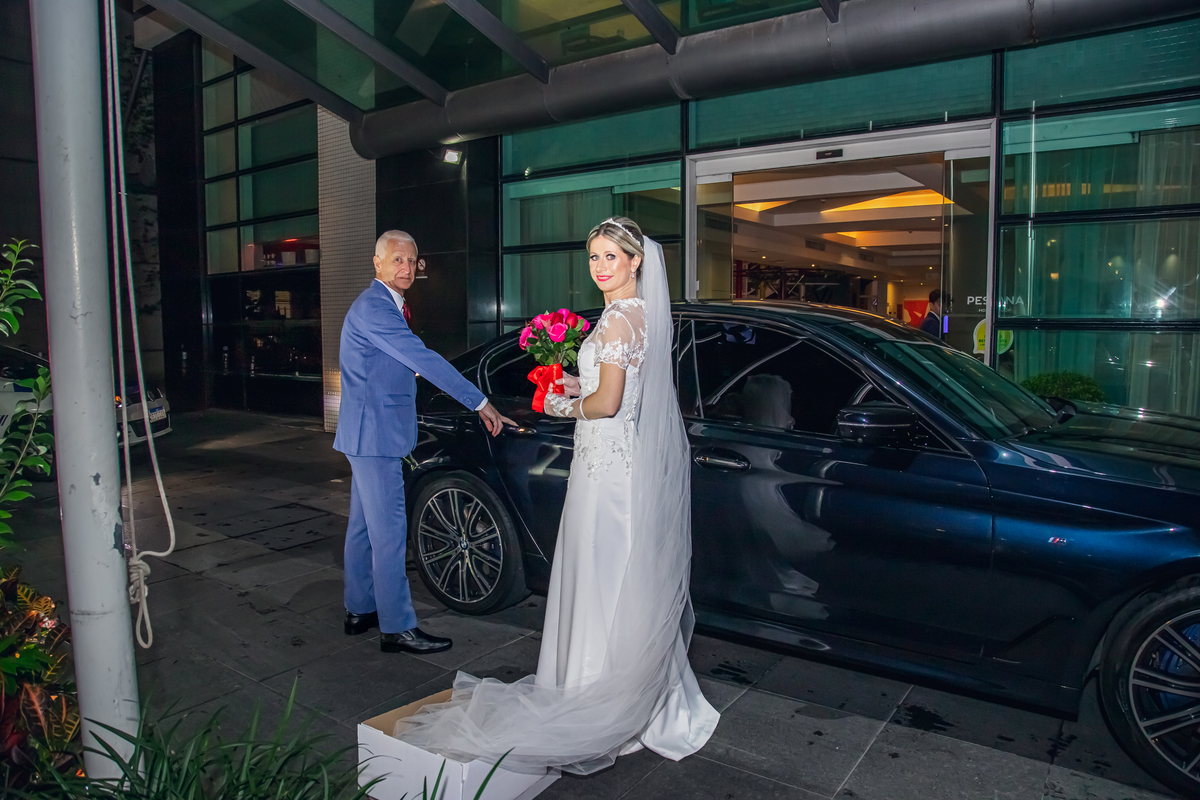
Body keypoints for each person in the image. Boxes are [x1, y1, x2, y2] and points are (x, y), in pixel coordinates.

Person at [392, 217, 720, 773]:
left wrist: (559, 404)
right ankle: (635, 692)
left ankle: (596, 697)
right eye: (593, 257)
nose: (600, 267)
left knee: (599, 573)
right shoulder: (641, 316)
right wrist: (576, 383)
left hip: (606, 468)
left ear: (636, 260)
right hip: (620, 464)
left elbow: (608, 404)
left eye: (610, 256)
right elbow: (622, 388)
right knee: (618, 575)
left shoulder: (618, 321)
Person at [334, 230, 512, 654]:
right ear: (377, 263)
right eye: (397, 259)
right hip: (375, 436)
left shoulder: (383, 305)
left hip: (367, 433)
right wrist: (479, 401)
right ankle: (397, 627)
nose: (407, 268)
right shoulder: (375, 307)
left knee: (364, 529)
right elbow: (421, 358)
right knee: (390, 533)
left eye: (412, 261)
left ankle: (360, 608)